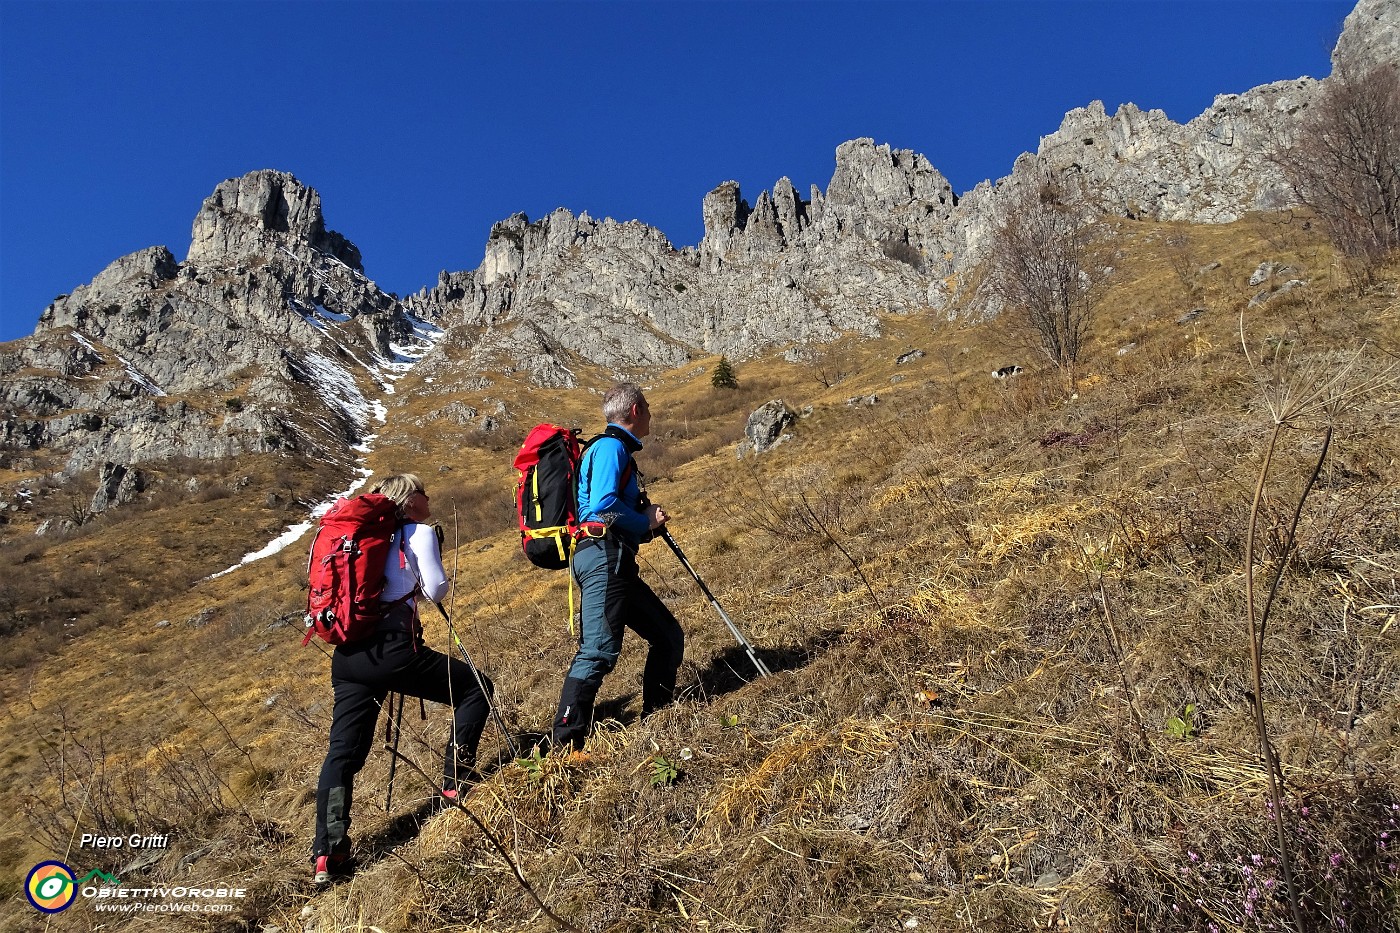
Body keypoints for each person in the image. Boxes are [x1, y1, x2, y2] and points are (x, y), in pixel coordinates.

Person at [311, 473, 494, 884]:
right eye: (424, 491)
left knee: (343, 754)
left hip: (348, 656)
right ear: (411, 499)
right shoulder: (418, 532)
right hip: (394, 651)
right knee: (476, 688)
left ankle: (328, 851)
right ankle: (455, 784)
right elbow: (436, 590)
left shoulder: (354, 539)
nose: (430, 497)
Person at [551, 383, 685, 750]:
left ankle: (658, 717)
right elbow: (604, 505)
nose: (652, 416)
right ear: (636, 410)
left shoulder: (609, 448)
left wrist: (642, 522)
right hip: (604, 558)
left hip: (612, 560)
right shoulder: (611, 448)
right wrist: (646, 522)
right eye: (649, 409)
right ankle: (565, 744)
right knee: (597, 651)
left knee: (667, 636)